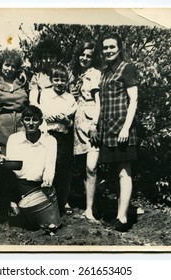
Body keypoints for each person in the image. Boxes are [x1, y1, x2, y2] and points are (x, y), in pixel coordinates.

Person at [97, 33, 139, 232]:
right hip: (108, 129)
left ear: (119, 48)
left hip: (122, 129)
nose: (108, 51)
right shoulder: (105, 72)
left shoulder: (127, 67)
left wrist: (126, 128)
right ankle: (120, 213)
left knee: (124, 173)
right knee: (116, 174)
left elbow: (134, 100)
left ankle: (122, 218)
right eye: (105, 48)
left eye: (112, 47)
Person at [0, 105, 57, 217]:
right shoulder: (14, 139)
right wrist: (3, 161)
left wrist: (47, 181)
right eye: (27, 119)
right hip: (16, 184)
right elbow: (11, 165)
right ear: (22, 121)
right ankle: (10, 203)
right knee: (4, 171)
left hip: (37, 185)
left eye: (35, 119)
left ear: (41, 122)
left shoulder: (50, 141)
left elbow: (50, 166)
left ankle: (19, 206)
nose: (31, 123)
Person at [37, 65, 77, 215]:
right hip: (48, 135)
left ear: (67, 81)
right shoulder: (45, 94)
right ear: (52, 80)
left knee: (64, 169)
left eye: (63, 80)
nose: (59, 83)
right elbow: (42, 112)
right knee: (48, 167)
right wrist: (48, 115)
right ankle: (47, 200)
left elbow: (71, 120)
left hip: (64, 137)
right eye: (56, 79)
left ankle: (63, 201)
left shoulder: (70, 98)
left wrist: (66, 120)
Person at [70, 41, 101, 222]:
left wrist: (94, 124)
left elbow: (98, 102)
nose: (85, 58)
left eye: (89, 56)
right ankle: (90, 206)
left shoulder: (95, 74)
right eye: (83, 55)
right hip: (77, 122)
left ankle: (90, 209)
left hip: (90, 122)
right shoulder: (76, 74)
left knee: (92, 166)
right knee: (84, 168)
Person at [0, 48, 29, 155]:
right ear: (1, 65)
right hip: (3, 130)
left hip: (22, 127)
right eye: (7, 65)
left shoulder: (23, 82)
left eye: (13, 66)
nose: (9, 69)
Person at [29, 37, 61, 106]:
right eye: (45, 57)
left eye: (52, 57)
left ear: (57, 58)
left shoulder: (66, 74)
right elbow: (33, 101)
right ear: (41, 59)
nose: (48, 60)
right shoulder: (37, 77)